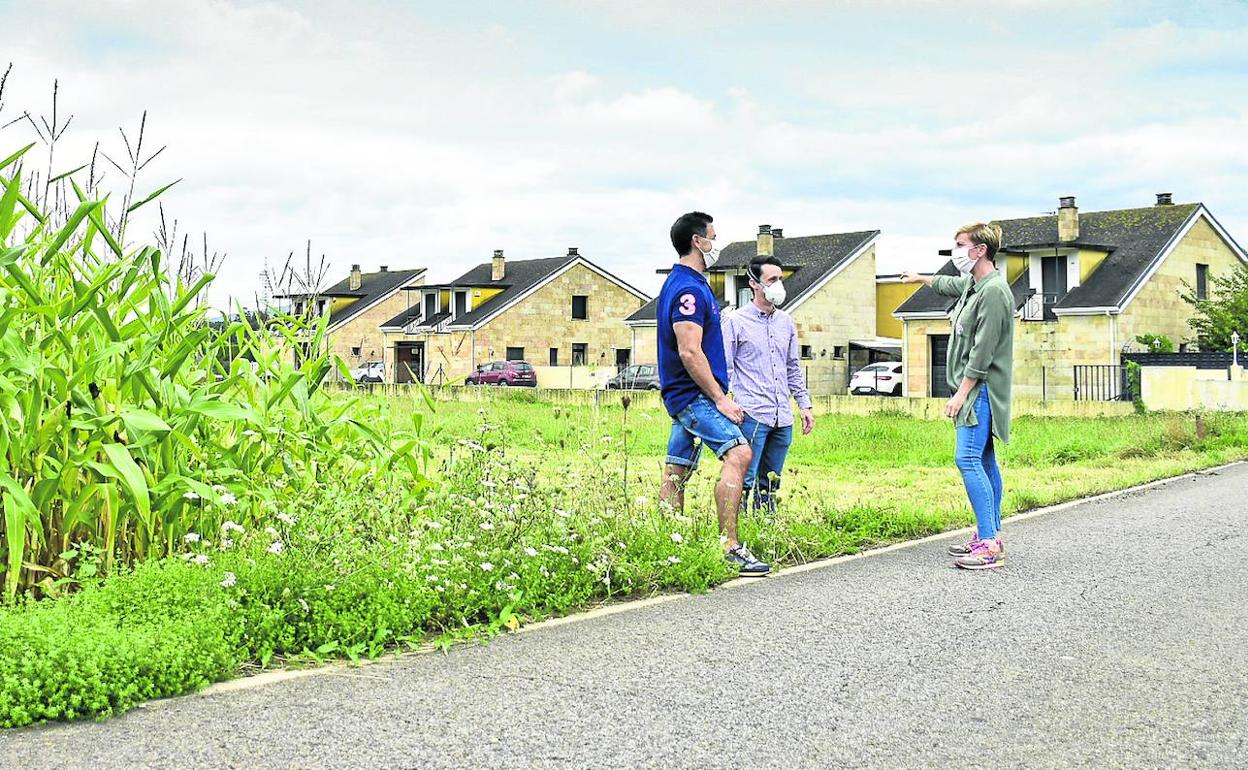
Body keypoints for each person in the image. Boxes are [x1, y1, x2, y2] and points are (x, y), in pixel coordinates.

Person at [656, 212, 770, 576]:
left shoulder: (686, 283)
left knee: (677, 470)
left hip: (684, 394)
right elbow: (689, 351)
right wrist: (720, 398)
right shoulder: (688, 289)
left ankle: (664, 545)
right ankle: (730, 547)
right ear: (697, 241)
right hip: (694, 395)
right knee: (739, 453)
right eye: (713, 237)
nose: (715, 243)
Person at [902, 222, 1014, 570]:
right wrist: (920, 278)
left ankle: (988, 543)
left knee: (966, 459)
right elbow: (950, 284)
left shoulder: (994, 292)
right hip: (976, 390)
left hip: (979, 391)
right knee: (984, 461)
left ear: (980, 250)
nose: (956, 252)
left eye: (960, 245)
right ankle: (989, 533)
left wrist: (960, 395)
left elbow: (982, 353)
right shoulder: (975, 285)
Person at [722, 255, 815, 515]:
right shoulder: (735, 322)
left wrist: (804, 405)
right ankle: (735, 531)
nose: (778, 285)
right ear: (754, 283)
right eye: (772, 280)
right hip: (752, 414)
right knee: (745, 479)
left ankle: (766, 528)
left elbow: (792, 367)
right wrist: (724, 402)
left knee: (771, 482)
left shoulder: (785, 322)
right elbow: (725, 368)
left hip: (782, 417)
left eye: (780, 279)